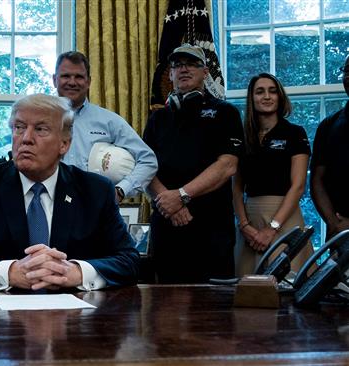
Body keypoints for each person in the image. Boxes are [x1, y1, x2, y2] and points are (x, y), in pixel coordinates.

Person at [0, 93, 139, 290]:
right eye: (19, 127)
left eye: (40, 129)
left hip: (74, 315)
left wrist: (76, 273)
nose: (26, 138)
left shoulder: (96, 190)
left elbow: (129, 260)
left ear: (64, 144)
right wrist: (9, 272)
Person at [143, 44, 244, 283]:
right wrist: (171, 203)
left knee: (214, 309)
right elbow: (144, 166)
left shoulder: (226, 113)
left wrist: (181, 196)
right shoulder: (157, 118)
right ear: (170, 74)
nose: (184, 69)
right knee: (166, 308)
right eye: (177, 65)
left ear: (205, 72)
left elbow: (227, 165)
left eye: (191, 64)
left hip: (211, 229)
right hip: (168, 225)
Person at [232, 73, 313, 276]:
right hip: (249, 222)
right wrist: (244, 225)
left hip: (285, 217)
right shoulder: (243, 137)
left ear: (280, 97)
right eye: (260, 91)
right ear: (252, 98)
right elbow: (236, 186)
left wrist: (272, 228)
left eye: (272, 91)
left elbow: (298, 186)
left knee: (287, 286)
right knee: (247, 289)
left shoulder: (295, 133)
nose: (267, 96)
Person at [53, 51, 157, 201]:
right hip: (50, 209)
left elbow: (148, 160)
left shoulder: (110, 121)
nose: (72, 82)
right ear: (54, 80)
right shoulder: (39, 121)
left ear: (88, 81)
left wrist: (121, 190)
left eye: (79, 77)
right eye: (65, 76)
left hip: (95, 211)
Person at [311, 55, 349, 239]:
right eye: (347, 71)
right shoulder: (328, 126)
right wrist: (334, 223)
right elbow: (317, 180)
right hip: (339, 231)